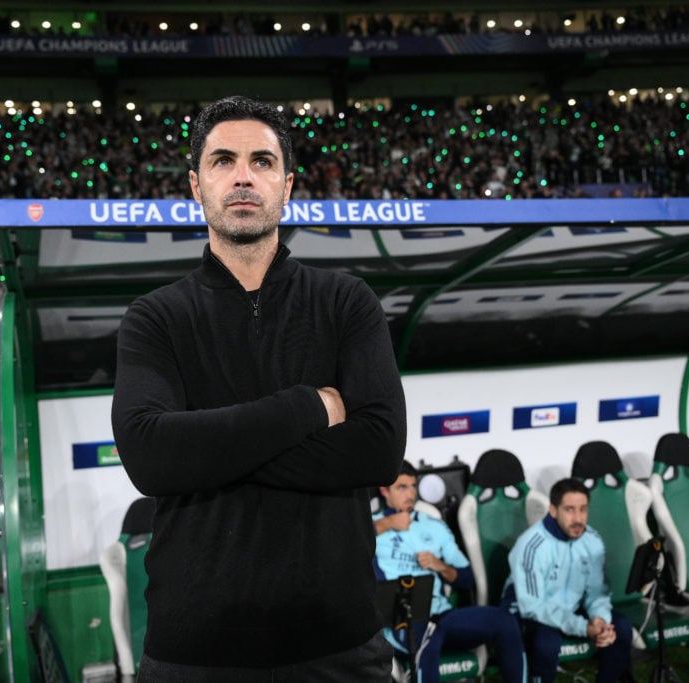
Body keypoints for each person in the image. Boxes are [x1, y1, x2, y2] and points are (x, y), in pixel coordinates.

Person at [111, 95, 407, 681]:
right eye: (223, 160)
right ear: (196, 185)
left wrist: (208, 450)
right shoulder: (154, 318)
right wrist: (308, 406)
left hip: (340, 646)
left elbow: (377, 447)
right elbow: (151, 458)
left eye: (262, 162)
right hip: (193, 655)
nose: (244, 176)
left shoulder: (346, 302)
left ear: (287, 183)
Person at [374, 461, 525, 683]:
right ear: (384, 490)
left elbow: (467, 579)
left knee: (503, 620)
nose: (410, 494)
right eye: (401, 487)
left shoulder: (434, 526)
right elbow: (343, 548)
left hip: (442, 618)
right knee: (428, 634)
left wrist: (441, 566)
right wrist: (385, 524)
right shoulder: (369, 528)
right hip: (401, 623)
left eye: (413, 486)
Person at [503, 478, 632, 683]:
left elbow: (597, 592)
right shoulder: (531, 545)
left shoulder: (592, 540)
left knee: (621, 628)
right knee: (546, 642)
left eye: (583, 510)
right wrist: (581, 627)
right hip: (528, 613)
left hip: (570, 610)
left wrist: (600, 620)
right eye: (570, 510)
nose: (578, 518)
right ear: (553, 511)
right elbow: (532, 606)